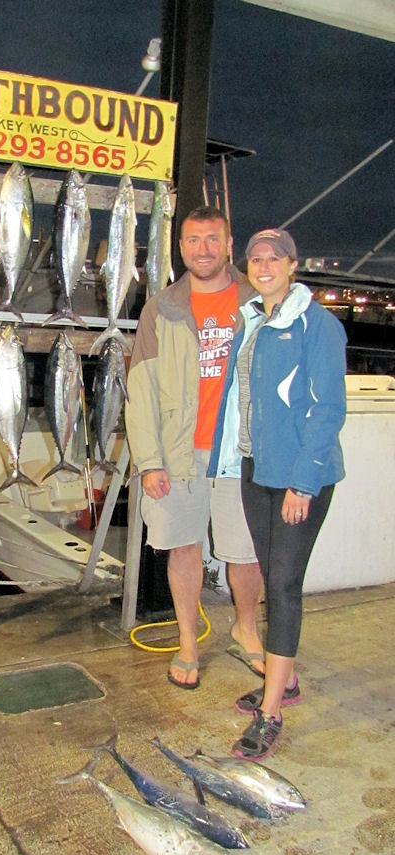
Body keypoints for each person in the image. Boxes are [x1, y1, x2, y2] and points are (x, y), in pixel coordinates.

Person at [208, 227, 347, 760]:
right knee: (272, 578)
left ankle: (271, 712)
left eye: (275, 257)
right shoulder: (254, 320)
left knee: (285, 585)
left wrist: (303, 484)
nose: (263, 264)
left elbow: (327, 410)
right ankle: (282, 680)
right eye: (255, 257)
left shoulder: (318, 325)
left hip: (298, 480)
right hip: (255, 471)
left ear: (294, 265)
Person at [125, 205, 264, 690]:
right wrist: (149, 462)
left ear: (229, 244)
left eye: (212, 239)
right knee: (183, 547)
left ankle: (246, 627)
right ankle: (188, 642)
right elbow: (139, 390)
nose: (202, 249)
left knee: (245, 553)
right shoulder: (161, 308)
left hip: (239, 453)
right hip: (179, 453)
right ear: (179, 247)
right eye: (192, 240)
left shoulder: (260, 301)